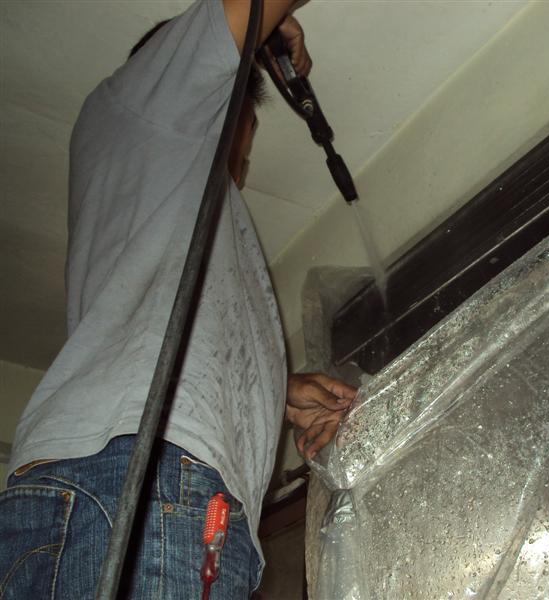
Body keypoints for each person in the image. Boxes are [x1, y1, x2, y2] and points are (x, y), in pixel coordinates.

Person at [0, 1, 354, 597]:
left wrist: (275, 391)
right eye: (245, 123)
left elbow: (167, 335)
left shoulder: (177, 199)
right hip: (147, 480)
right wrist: (268, 19)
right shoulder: (140, 105)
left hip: (143, 482)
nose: (244, 152)